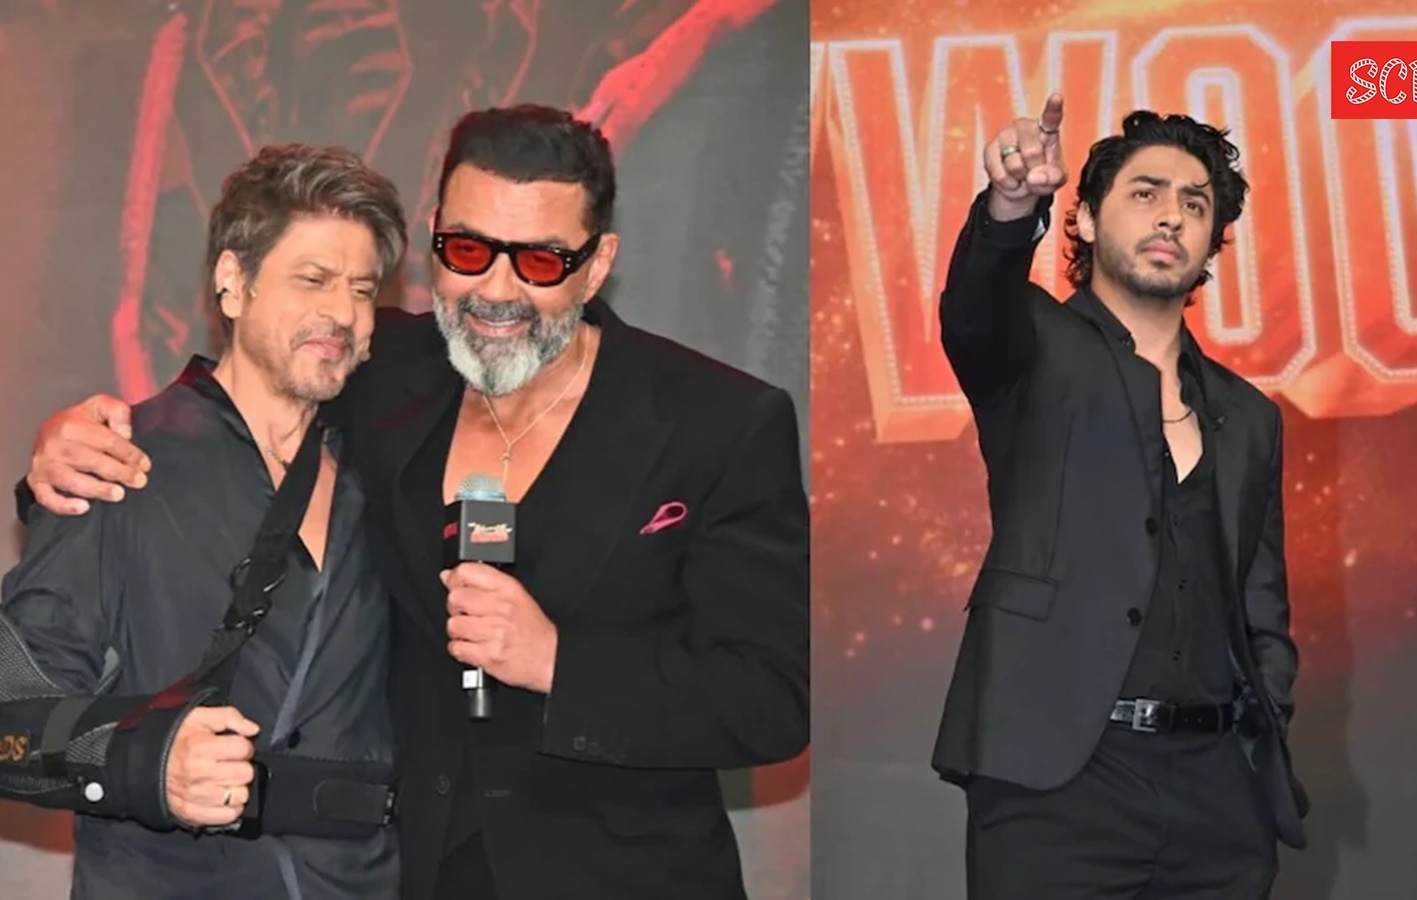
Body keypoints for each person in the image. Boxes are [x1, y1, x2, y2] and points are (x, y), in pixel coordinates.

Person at [19, 103, 810, 900]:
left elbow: (770, 701)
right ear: (436, 236)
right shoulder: (382, 367)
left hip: (624, 878)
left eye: (540, 262)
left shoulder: (717, 423)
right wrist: (67, 450)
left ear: (597, 263)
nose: (496, 291)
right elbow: (251, 388)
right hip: (409, 874)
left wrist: (559, 664)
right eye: (468, 250)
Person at [0, 143, 409, 897]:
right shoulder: (117, 462)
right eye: (312, 279)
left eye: (362, 288)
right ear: (232, 281)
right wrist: (147, 762)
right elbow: (9, 719)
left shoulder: (387, 473)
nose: (342, 313)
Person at [928, 96, 1310, 899]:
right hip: (1059, 785)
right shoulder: (1033, 345)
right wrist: (1010, 206)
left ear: (1212, 241)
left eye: (1195, 204)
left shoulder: (1249, 416)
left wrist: (1261, 721)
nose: (1171, 215)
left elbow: (1261, 599)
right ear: (1086, 220)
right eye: (1145, 193)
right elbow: (974, 309)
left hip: (1217, 800)